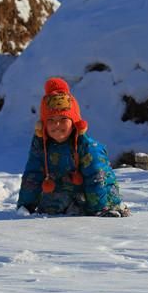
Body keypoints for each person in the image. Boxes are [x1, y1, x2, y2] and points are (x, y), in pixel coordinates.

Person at [17, 77, 129, 217]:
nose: (57, 125)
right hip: (63, 197)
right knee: (50, 206)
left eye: (63, 120)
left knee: (97, 189)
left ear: (75, 122)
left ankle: (107, 207)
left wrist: (99, 209)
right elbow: (33, 175)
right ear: (43, 125)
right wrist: (25, 206)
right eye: (51, 120)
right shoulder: (42, 145)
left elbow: (96, 177)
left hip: (96, 198)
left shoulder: (88, 147)